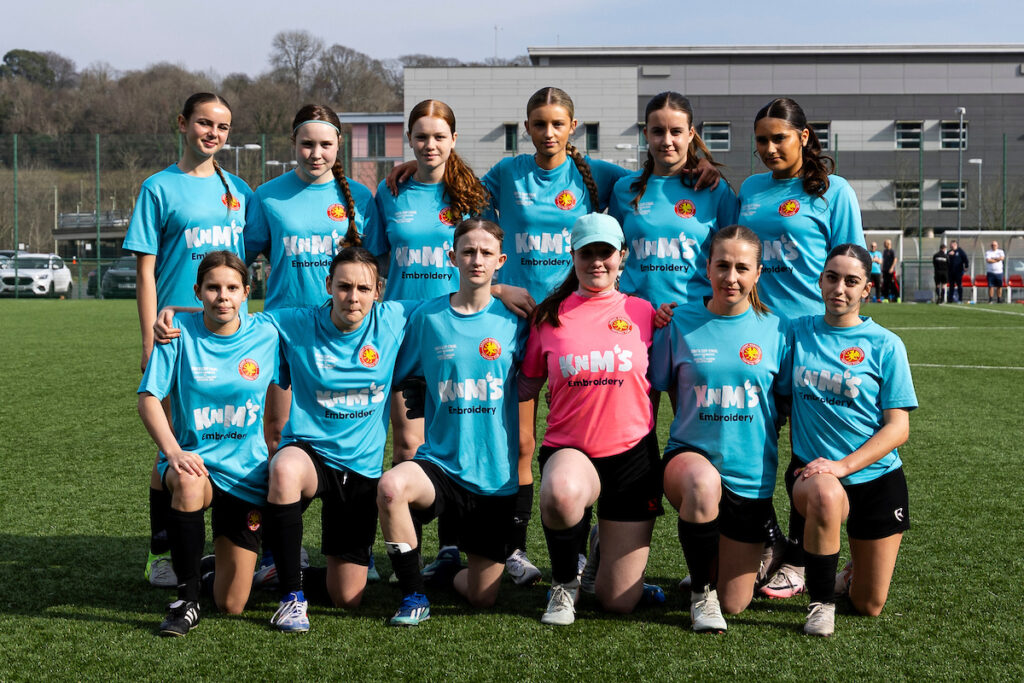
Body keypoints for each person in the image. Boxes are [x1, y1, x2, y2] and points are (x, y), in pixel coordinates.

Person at [243, 103, 381, 584]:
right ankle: (282, 551)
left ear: (339, 146)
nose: (316, 153)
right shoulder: (268, 196)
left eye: (325, 144)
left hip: (347, 339)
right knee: (279, 436)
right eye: (307, 143)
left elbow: (374, 266)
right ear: (293, 144)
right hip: (287, 336)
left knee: (352, 438)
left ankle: (355, 550)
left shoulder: (360, 197)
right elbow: (240, 264)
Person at [123, 92, 254, 588]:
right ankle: (164, 549)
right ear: (182, 124)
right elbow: (146, 271)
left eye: (222, 127)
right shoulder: (158, 187)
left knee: (228, 433)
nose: (213, 134)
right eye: (204, 123)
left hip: (226, 333)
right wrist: (148, 337)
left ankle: (227, 541)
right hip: (176, 335)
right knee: (172, 447)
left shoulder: (238, 189)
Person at [259, 236, 420, 632]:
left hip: (360, 472)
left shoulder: (395, 318)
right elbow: (230, 319)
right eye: (344, 286)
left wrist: (501, 287)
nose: (353, 297)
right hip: (310, 455)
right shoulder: (297, 322)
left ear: (378, 291)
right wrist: (175, 319)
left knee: (347, 596)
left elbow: (455, 304)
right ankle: (291, 597)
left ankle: (270, 575)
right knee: (284, 469)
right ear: (328, 285)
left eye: (364, 288)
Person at [739, 97, 865, 599]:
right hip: (757, 337)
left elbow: (851, 263)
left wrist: (850, 334)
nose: (769, 149)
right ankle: (767, 541)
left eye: (779, 139)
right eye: (761, 142)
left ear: (804, 137)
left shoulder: (834, 192)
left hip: (813, 338)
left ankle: (797, 551)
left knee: (809, 450)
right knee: (748, 441)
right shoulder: (749, 189)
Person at [377, 218, 527, 626]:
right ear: (452, 257)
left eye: (485, 253)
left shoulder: (517, 319)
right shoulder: (427, 317)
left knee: (482, 596)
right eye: (467, 251)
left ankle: (449, 572)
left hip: (495, 477)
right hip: (441, 463)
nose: (476, 259)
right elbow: (394, 372)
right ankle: (413, 595)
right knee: (392, 487)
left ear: (500, 261)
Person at [519, 213, 664, 626]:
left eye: (606, 252)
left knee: (618, 602)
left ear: (622, 256)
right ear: (573, 256)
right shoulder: (550, 317)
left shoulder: (644, 312)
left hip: (633, 455)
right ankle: (564, 584)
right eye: (588, 253)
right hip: (572, 450)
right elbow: (526, 386)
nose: (597, 262)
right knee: (561, 493)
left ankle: (599, 547)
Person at [650, 225, 791, 633]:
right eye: (723, 265)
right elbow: (655, 387)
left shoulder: (776, 330)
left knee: (736, 603)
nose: (732, 277)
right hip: (689, 460)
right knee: (702, 484)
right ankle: (700, 594)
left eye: (742, 268)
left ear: (758, 273)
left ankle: (718, 570)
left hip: (749, 476)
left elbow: (782, 403)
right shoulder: (678, 322)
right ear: (707, 268)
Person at [138, 251, 281, 637]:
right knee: (185, 479)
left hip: (246, 475)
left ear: (247, 292)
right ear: (198, 291)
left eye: (232, 288)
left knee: (232, 604)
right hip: (196, 467)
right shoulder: (177, 332)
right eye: (213, 288)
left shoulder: (267, 332)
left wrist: (171, 306)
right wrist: (172, 451)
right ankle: (185, 602)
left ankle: (202, 563)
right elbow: (148, 398)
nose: (223, 296)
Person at [787, 243, 917, 636]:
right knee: (826, 495)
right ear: (820, 280)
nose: (838, 288)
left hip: (876, 479)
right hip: (814, 473)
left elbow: (898, 428)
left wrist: (844, 465)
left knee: (868, 604)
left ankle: (848, 576)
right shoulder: (796, 332)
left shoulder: (886, 344)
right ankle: (821, 602)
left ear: (867, 289)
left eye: (851, 280)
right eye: (831, 277)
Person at [608, 91, 739, 312]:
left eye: (676, 132)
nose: (667, 141)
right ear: (645, 134)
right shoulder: (624, 189)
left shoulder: (714, 189)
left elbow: (738, 257)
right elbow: (608, 253)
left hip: (696, 318)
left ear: (690, 134)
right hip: (636, 318)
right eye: (658, 132)